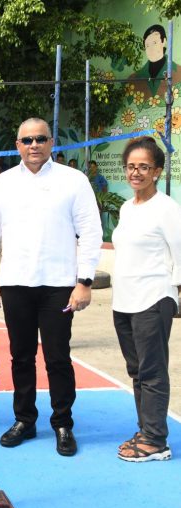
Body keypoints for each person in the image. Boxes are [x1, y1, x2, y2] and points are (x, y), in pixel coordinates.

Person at [0, 118, 102, 457]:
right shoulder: (2, 184)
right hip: (15, 284)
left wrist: (85, 282)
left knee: (58, 357)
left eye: (40, 139)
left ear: (52, 143)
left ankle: (63, 423)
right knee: (21, 356)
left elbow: (90, 232)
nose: (34, 145)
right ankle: (24, 420)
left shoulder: (73, 181)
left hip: (59, 286)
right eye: (27, 140)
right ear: (17, 145)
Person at [112, 136, 181, 462]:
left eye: (143, 167)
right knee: (137, 371)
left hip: (153, 299)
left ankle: (156, 441)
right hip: (124, 301)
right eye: (131, 166)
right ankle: (146, 430)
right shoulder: (127, 207)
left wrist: (178, 293)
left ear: (156, 171)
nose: (135, 172)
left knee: (152, 373)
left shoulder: (167, 209)